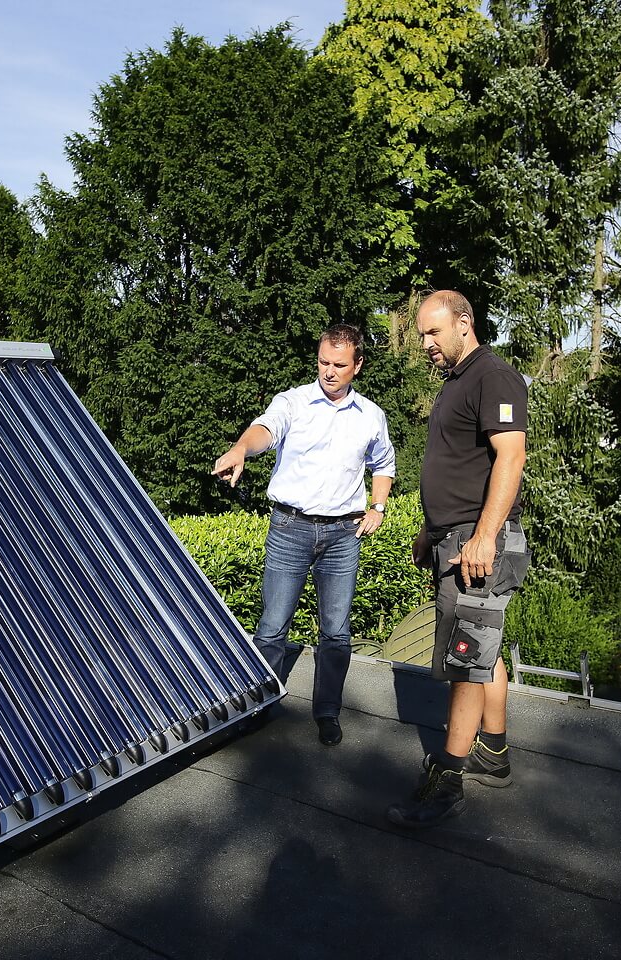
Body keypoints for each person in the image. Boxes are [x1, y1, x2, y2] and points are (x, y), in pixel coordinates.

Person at [212, 324, 396, 746]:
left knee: (335, 630)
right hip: (290, 528)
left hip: (342, 535)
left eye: (339, 365)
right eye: (323, 362)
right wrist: (242, 448)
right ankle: (259, 705)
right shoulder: (293, 402)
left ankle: (327, 711)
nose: (329, 372)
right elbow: (265, 429)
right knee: (273, 626)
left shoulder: (371, 416)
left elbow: (383, 464)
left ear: (358, 366)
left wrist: (378, 507)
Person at [386, 290, 529, 828]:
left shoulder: (493, 375)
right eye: (422, 334)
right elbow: (457, 466)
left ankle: (446, 779)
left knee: (467, 656)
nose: (425, 343)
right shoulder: (457, 383)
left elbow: (510, 457)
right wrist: (432, 530)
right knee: (484, 649)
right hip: (456, 536)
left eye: (433, 332)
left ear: (464, 324)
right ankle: (493, 750)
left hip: (478, 542)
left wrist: (485, 535)